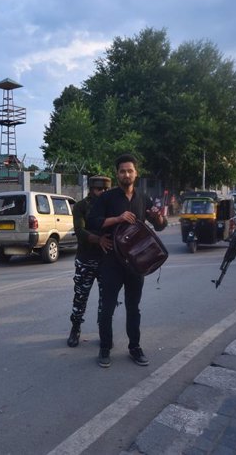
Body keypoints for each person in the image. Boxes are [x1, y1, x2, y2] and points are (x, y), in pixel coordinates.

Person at [88, 154, 167, 368]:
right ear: (117, 174)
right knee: (107, 308)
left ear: (136, 173)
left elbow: (159, 225)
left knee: (134, 308)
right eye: (122, 171)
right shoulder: (107, 198)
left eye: (130, 170)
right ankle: (105, 348)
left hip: (136, 264)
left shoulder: (143, 198)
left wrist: (158, 216)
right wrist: (117, 219)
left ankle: (135, 347)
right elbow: (92, 222)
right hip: (111, 262)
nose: (126, 174)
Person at [66, 175, 112, 348]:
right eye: (100, 189)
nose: (103, 192)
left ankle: (104, 332)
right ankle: (75, 328)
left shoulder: (111, 207)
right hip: (86, 260)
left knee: (106, 300)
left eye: (106, 189)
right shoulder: (81, 206)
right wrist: (98, 239)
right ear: (92, 189)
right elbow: (79, 231)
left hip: (107, 261)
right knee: (80, 297)